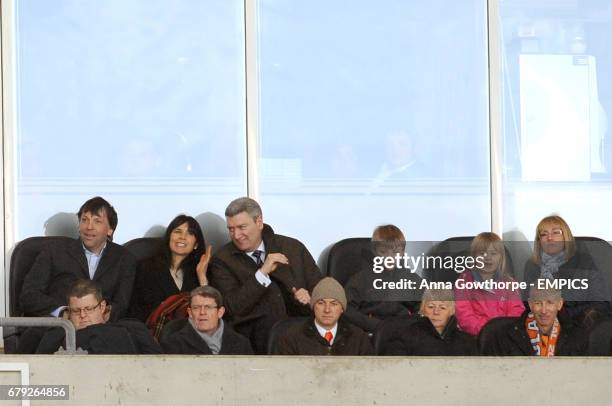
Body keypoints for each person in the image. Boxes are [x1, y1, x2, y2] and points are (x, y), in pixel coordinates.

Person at [209, 197, 322, 354]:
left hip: (303, 335)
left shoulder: (292, 248)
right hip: (254, 342)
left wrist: (309, 298)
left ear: (259, 222)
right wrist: (262, 274)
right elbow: (232, 307)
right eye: (231, 229)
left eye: (242, 227)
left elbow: (322, 289)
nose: (236, 235)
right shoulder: (222, 260)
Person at [20, 196, 136, 320]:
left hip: (102, 330)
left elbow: (121, 305)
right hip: (60, 327)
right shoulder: (54, 251)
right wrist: (63, 313)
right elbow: (29, 296)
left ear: (110, 230)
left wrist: (101, 317)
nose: (89, 226)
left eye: (97, 221)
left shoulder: (124, 258)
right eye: (84, 220)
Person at [524, 215, 609, 329]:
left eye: (556, 232)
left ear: (566, 236)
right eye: (544, 234)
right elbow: (527, 302)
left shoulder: (584, 261)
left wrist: (568, 314)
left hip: (580, 321)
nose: (550, 238)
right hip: (544, 320)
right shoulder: (533, 265)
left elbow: (600, 301)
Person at [36, 280, 161, 354]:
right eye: (76, 311)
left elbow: (160, 364)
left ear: (102, 307)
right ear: (68, 311)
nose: (83, 315)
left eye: (89, 309)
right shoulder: (54, 336)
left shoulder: (132, 330)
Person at [129, 215, 212, 322]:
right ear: (169, 237)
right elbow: (136, 310)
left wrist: (202, 278)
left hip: (191, 332)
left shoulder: (201, 272)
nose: (182, 237)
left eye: (190, 233)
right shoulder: (146, 267)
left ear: (196, 244)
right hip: (154, 332)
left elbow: (209, 314)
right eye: (178, 231)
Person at [344, 225, 421, 333]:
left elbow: (425, 306)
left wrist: (409, 323)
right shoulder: (361, 279)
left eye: (396, 253)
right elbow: (347, 309)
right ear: (375, 252)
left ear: (403, 252)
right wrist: (374, 325)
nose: (390, 258)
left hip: (403, 331)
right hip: (371, 330)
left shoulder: (411, 278)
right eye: (383, 252)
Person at [273, 277, 373, 355]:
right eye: (321, 303)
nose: (327, 310)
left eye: (334, 304)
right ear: (313, 306)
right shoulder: (291, 338)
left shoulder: (359, 338)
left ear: (342, 308)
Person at [455, 232, 524, 336]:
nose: (488, 258)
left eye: (493, 253)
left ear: (501, 257)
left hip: (505, 336)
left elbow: (517, 311)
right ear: (474, 256)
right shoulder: (463, 282)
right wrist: (488, 331)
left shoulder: (509, 283)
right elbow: (464, 316)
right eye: (482, 253)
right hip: (475, 337)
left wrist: (504, 330)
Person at [484, 287, 587, 356]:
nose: (544, 310)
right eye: (538, 303)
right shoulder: (505, 336)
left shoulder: (576, 336)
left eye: (550, 303)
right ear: (530, 304)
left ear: (560, 304)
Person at [161, 286, 253, 355]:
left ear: (220, 312)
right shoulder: (173, 344)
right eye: (196, 308)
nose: (202, 312)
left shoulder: (241, 344)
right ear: (189, 312)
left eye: (208, 307)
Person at [383, 289, 477, 355]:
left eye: (442, 307)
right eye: (431, 307)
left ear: (451, 311)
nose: (436, 312)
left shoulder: (467, 342)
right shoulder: (403, 338)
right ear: (422, 309)